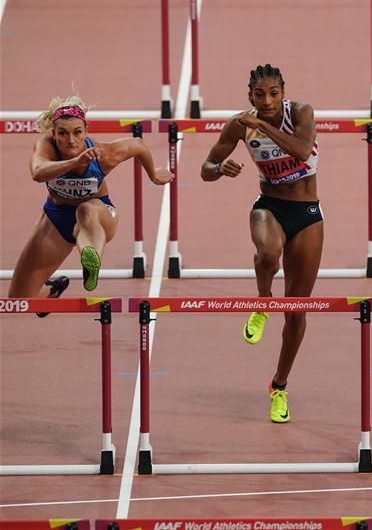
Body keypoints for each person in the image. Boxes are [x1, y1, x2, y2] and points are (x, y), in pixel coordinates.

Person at [200, 64, 322, 423]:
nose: (267, 100)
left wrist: (264, 126)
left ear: (284, 93)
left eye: (273, 93)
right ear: (249, 96)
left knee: (297, 311)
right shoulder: (240, 124)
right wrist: (219, 170)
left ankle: (278, 386)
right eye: (259, 95)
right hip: (268, 205)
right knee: (269, 251)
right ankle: (262, 299)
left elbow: (301, 150)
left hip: (308, 212)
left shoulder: (301, 113)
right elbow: (206, 166)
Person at [8, 96, 173, 309]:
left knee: (85, 210)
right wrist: (75, 161)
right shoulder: (45, 146)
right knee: (18, 300)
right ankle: (52, 291)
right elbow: (38, 173)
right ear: (54, 134)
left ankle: (90, 264)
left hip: (100, 214)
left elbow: (138, 145)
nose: (71, 140)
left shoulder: (103, 155)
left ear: (86, 131)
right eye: (63, 134)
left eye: (77, 132)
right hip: (57, 217)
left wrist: (153, 174)